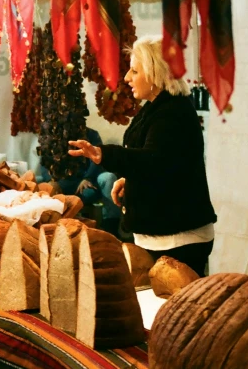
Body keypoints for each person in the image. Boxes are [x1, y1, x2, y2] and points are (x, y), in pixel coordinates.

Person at [69, 36, 216, 277]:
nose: (127, 78)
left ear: (155, 73)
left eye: (135, 71)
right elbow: (168, 165)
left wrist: (103, 154)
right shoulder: (158, 107)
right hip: (163, 235)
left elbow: (155, 161)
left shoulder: (172, 113)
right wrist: (130, 180)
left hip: (178, 239)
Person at [38, 128, 121, 235]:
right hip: (62, 184)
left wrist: (88, 178)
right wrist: (50, 180)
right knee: (40, 183)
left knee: (107, 178)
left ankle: (111, 226)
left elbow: (96, 159)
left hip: (86, 184)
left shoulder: (91, 134)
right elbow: (44, 161)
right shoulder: (51, 135)